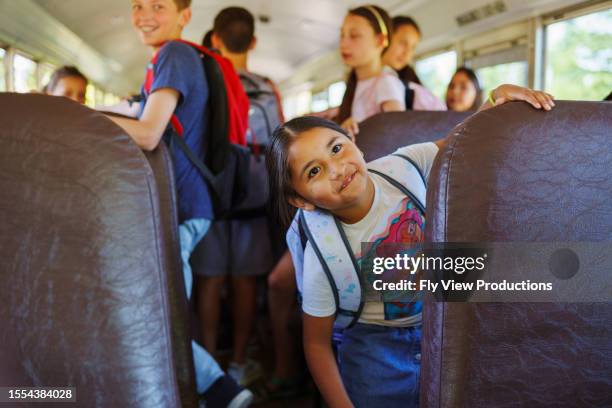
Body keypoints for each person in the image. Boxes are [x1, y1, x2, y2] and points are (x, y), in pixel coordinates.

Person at [266, 84, 555, 408]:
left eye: (336, 148)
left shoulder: (404, 167)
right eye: (314, 171)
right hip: (374, 348)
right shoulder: (324, 254)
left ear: (354, 143)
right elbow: (316, 344)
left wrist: (494, 99)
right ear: (300, 200)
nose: (336, 169)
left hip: (440, 320)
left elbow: (460, 145)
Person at [104, 0, 252, 406]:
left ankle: (221, 390)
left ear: (184, 16)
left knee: (157, 319)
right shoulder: (168, 60)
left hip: (182, 204)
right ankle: (214, 391)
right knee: (161, 314)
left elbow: (149, 133)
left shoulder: (174, 54)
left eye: (158, 5)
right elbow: (141, 111)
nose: (145, 14)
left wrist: (78, 116)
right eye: (137, 5)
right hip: (188, 204)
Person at [191, 6, 298, 394]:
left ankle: (204, 365)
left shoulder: (202, 80)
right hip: (254, 200)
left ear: (215, 40)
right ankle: (238, 362)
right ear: (253, 42)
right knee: (245, 284)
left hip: (212, 198)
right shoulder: (268, 87)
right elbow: (280, 144)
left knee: (208, 281)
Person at [336, 5, 405, 138]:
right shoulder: (355, 86)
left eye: (354, 36)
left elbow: (397, 137)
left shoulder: (386, 82)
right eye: (342, 35)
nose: (343, 43)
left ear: (380, 40)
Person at [382, 16, 445, 111]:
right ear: (386, 38)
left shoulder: (411, 86)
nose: (407, 53)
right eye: (403, 43)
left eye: (413, 48)